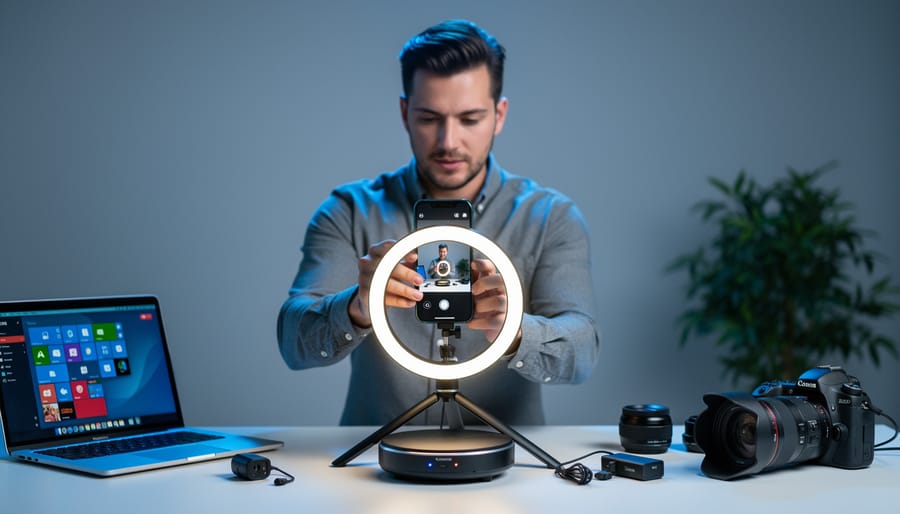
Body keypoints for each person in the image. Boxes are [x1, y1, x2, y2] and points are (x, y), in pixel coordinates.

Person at [278, 19, 600, 426]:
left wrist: (515, 331)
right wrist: (358, 307)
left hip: (507, 462)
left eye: (470, 119)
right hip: (374, 461)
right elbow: (293, 344)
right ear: (404, 113)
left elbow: (584, 349)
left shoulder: (550, 216)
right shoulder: (349, 209)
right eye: (430, 118)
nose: (448, 141)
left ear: (499, 116)